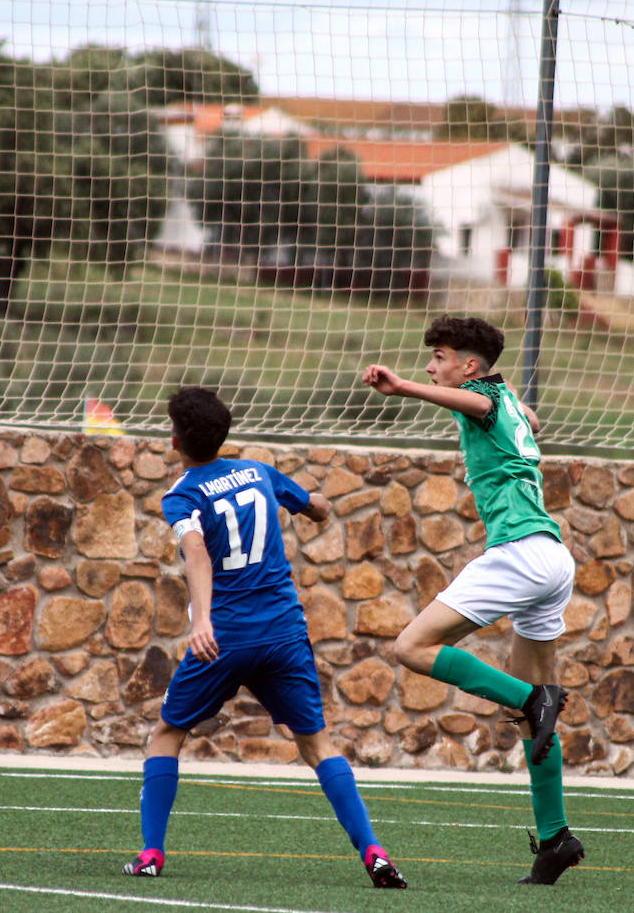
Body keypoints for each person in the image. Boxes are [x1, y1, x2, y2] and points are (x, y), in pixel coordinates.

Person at [124, 386, 407, 889]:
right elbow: (315, 507)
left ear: (175, 439)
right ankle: (374, 852)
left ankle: (151, 854)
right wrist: (318, 504)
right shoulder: (258, 471)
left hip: (226, 637)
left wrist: (201, 621)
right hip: (282, 631)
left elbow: (196, 553)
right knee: (318, 745)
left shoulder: (183, 493)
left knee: (167, 735)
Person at [361, 315, 583, 886]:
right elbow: (525, 416)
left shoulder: (483, 395)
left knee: (412, 646)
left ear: (468, 367)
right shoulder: (507, 395)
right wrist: (518, 415)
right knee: (534, 715)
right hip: (554, 559)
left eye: (440, 356)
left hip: (520, 554)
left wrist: (403, 387)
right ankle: (555, 837)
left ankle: (535, 700)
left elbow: (481, 407)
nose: (431, 365)